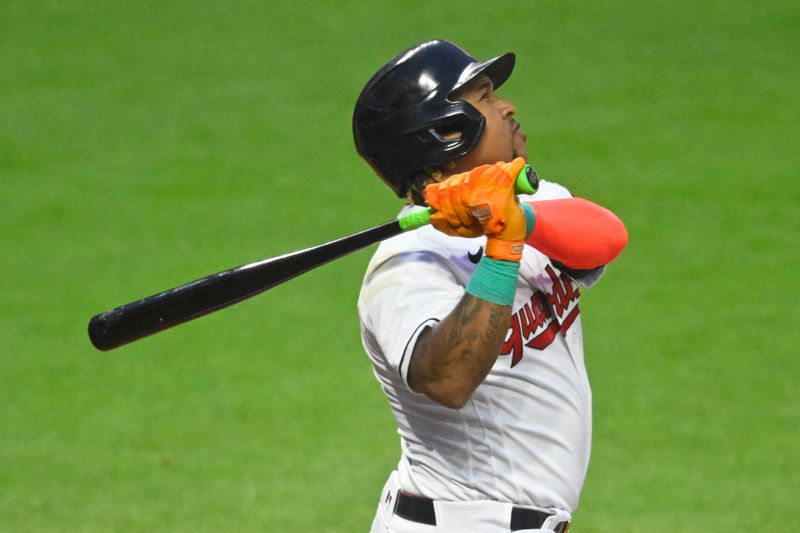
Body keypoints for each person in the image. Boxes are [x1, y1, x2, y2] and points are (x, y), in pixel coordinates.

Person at [353, 40, 628, 533]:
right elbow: (448, 380)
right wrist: (503, 245)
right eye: (485, 97)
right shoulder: (404, 268)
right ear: (444, 134)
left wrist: (517, 218)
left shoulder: (530, 202)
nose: (508, 106)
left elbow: (607, 239)